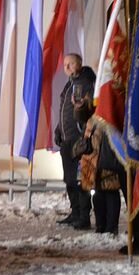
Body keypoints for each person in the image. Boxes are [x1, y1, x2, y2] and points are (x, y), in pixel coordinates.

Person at [55, 54, 96, 230]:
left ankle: (84, 216)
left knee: (80, 180)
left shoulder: (86, 83)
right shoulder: (69, 84)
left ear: (79, 64)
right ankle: (75, 212)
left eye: (70, 64)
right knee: (69, 180)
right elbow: (64, 110)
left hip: (78, 139)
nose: (67, 67)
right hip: (66, 139)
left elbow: (86, 110)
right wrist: (58, 129)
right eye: (65, 64)